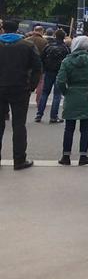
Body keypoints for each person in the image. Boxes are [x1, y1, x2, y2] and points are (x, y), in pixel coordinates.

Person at [0, 20, 42, 169]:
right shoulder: (28, 45)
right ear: (17, 30)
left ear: (3, 29)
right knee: (19, 125)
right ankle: (19, 160)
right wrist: (31, 86)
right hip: (20, 88)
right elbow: (38, 67)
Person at [55, 36, 88, 166]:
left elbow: (60, 80)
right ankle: (83, 155)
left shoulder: (67, 61)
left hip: (71, 93)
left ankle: (65, 156)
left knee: (69, 127)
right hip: (86, 94)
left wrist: (66, 92)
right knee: (85, 127)